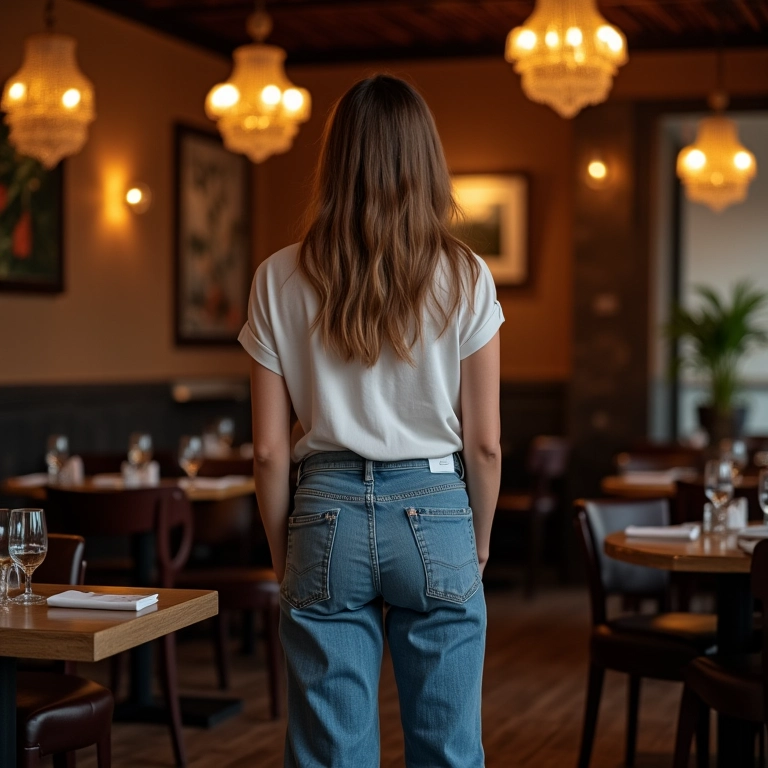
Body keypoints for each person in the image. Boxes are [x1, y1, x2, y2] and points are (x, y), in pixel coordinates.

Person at [238, 74, 503, 768]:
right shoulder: (468, 275)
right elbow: (486, 442)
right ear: (427, 160)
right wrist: (476, 541)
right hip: (438, 507)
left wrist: (282, 549)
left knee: (331, 753)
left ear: (336, 160)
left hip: (323, 515)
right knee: (448, 749)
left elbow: (268, 452)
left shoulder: (276, 277)